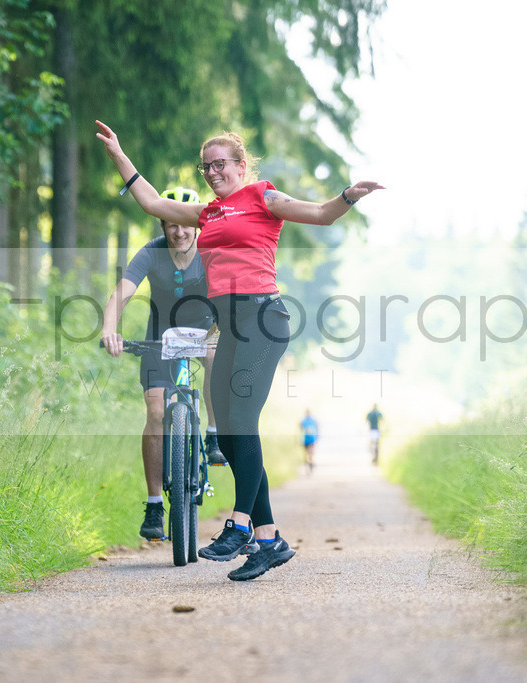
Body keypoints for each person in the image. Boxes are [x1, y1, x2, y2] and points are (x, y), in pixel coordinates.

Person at [96, 119, 384, 581]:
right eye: (206, 167)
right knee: (228, 436)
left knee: (243, 422)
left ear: (241, 166)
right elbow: (151, 201)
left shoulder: (262, 197)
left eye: (221, 165)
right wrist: (118, 153)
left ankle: (240, 523)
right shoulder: (206, 215)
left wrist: (347, 196)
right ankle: (270, 540)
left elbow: (321, 214)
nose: (213, 173)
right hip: (227, 329)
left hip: (263, 322)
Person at [101, 187, 226, 543]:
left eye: (185, 224)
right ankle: (155, 504)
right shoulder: (151, 253)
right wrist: (110, 329)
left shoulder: (211, 251)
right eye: (171, 225)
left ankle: (214, 435)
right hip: (160, 336)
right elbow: (120, 293)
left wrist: (228, 328)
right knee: (155, 411)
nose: (179, 232)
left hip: (205, 331)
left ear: (197, 224)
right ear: (162, 224)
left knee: (216, 354)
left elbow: (230, 294)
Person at [300, 409, 319, 474]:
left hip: (311, 439)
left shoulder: (312, 421)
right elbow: (301, 430)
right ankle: (309, 464)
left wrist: (316, 437)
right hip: (306, 440)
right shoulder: (303, 421)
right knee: (307, 454)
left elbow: (317, 429)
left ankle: (310, 464)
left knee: (310, 453)